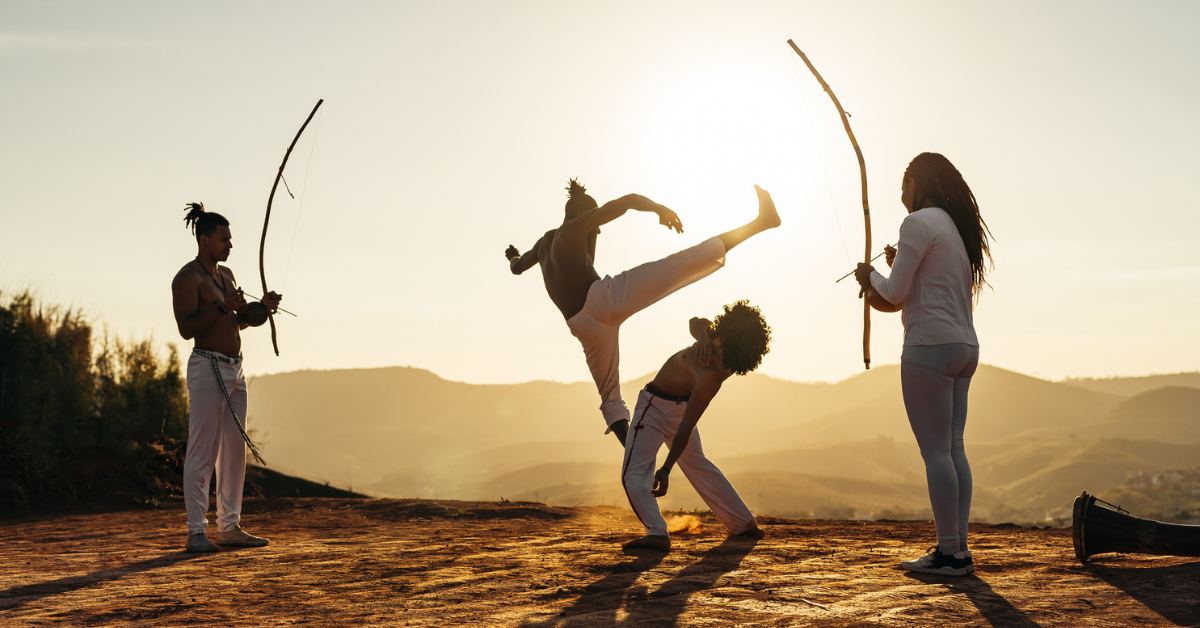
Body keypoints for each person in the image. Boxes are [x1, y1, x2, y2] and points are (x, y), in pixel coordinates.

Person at [506, 180, 780, 446]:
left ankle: (634, 456)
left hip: (581, 326)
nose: (598, 232)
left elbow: (517, 267)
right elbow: (629, 201)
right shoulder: (578, 226)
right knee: (680, 264)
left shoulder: (543, 245)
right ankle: (762, 222)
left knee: (610, 399)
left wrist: (512, 256)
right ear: (584, 215)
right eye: (596, 226)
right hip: (604, 299)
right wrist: (660, 209)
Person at [854, 152, 994, 576]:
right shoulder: (954, 229)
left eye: (903, 185)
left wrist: (868, 276)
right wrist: (893, 270)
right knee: (953, 449)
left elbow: (892, 295)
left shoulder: (918, 222)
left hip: (928, 350)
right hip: (964, 348)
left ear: (917, 183)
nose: (900, 195)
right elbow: (912, 291)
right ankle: (959, 549)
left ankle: (949, 554)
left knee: (935, 452)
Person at [171, 202, 281, 553]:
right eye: (223, 240)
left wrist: (262, 308)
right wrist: (223, 307)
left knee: (233, 450)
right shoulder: (188, 278)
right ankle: (196, 532)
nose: (230, 245)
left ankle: (229, 527)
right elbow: (187, 329)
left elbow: (239, 321)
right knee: (203, 451)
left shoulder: (226, 275)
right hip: (206, 367)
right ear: (204, 240)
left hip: (236, 368)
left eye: (230, 240)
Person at [620, 300, 771, 551]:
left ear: (733, 347)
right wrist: (703, 337)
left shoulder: (711, 378)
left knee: (633, 476)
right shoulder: (718, 339)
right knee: (699, 463)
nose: (717, 344)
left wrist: (666, 468)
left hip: (655, 407)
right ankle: (743, 523)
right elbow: (696, 321)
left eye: (721, 343)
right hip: (669, 405)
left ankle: (657, 533)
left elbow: (686, 427)